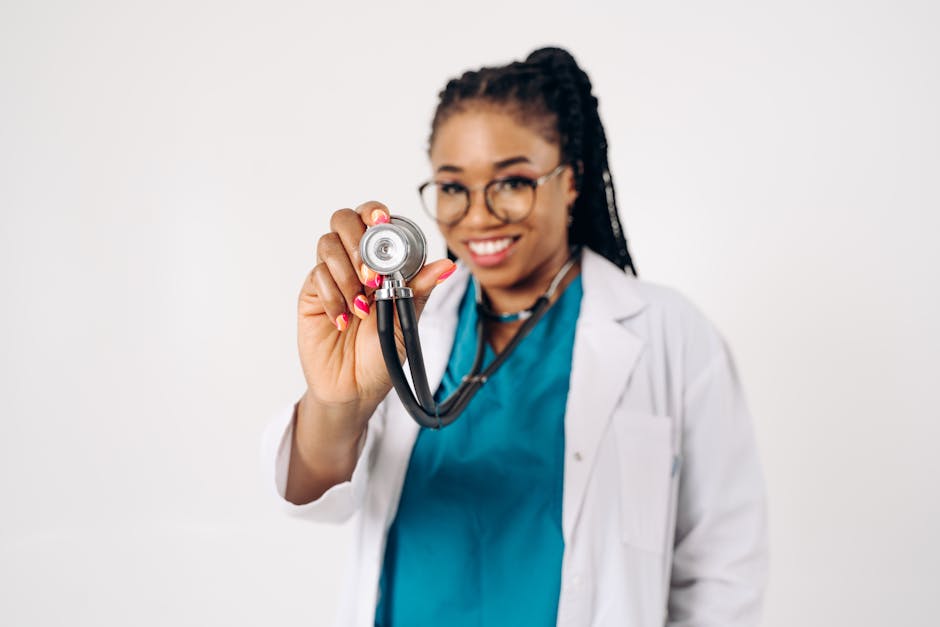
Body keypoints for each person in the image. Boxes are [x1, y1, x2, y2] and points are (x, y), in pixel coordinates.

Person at [262, 46, 768, 626]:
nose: (478, 216)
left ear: (571, 181)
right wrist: (337, 403)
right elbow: (310, 496)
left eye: (512, 182)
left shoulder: (669, 334)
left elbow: (724, 570)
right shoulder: (402, 323)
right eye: (453, 187)